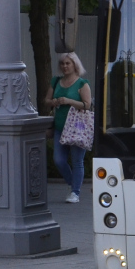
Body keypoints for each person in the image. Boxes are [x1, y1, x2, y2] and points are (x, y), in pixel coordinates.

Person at [45, 52, 92, 202]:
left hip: (77, 127)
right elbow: (46, 100)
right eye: (62, 64)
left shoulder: (82, 84)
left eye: (68, 63)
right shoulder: (56, 81)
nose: (64, 66)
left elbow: (87, 105)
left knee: (77, 161)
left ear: (74, 65)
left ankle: (75, 193)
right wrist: (54, 102)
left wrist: (68, 101)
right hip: (60, 126)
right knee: (58, 160)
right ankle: (73, 184)